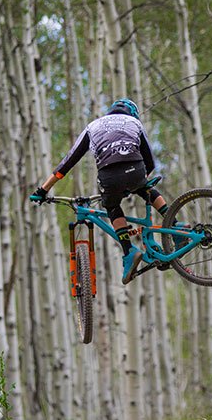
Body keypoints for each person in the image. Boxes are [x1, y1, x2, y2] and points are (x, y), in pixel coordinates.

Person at [30, 98, 171, 285]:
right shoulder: (134, 122)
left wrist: (43, 189)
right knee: (146, 188)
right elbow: (150, 162)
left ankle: (129, 251)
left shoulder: (93, 126)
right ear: (132, 113)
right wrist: (134, 184)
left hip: (109, 176)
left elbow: (67, 163)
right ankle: (175, 223)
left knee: (112, 205)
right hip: (136, 170)